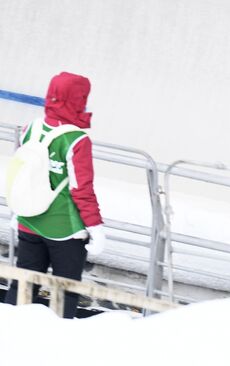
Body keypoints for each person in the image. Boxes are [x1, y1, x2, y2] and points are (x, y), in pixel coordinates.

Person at [4, 72, 106, 318]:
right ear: (77, 99)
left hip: (29, 222)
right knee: (66, 292)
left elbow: (23, 173)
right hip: (65, 230)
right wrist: (95, 227)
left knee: (23, 287)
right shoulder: (77, 140)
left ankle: (9, 335)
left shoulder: (30, 128)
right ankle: (57, 346)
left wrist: (16, 211)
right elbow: (81, 189)